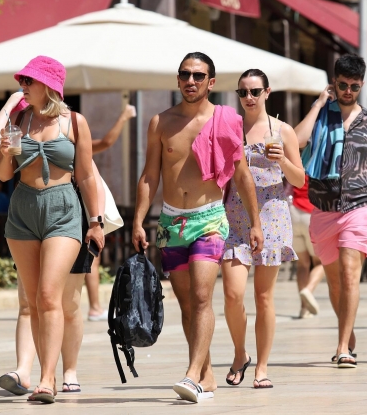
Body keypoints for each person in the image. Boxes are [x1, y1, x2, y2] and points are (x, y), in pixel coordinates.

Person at [132, 52, 263, 403]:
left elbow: (242, 174)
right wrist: (138, 219)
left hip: (209, 219)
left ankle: (190, 376)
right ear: (178, 79)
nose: (191, 80)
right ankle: (206, 375)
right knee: (187, 304)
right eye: (185, 74)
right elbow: (150, 175)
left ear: (211, 82)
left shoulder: (228, 120)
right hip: (171, 221)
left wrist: (255, 223)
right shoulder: (161, 122)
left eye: (199, 75)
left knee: (203, 296)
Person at [0, 90, 115, 397]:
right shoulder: (19, 119)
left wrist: (96, 223)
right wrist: (5, 153)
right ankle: (47, 376)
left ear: (48, 84)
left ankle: (50, 377)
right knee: (32, 302)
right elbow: (5, 175)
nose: (23, 86)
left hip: (63, 209)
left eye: (29, 80)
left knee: (50, 297)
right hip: (23, 210)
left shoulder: (75, 122)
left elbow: (85, 175)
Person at [294, 54, 367, 368]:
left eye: (354, 86)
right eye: (342, 85)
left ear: (362, 85)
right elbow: (296, 141)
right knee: (335, 284)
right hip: (323, 208)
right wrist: (317, 104)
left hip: (359, 206)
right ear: (333, 82)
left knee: (351, 278)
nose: (348, 91)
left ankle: (342, 347)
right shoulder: (321, 115)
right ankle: (347, 333)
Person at [222, 69, 304, 389]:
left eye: (255, 92)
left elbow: (299, 180)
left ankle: (263, 366)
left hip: (272, 212)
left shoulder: (282, 131)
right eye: (243, 93)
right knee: (232, 293)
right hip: (234, 215)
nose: (249, 98)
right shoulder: (231, 129)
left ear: (267, 93)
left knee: (263, 297)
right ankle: (240, 354)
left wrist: (282, 160)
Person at [86, 103, 136, 321]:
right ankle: (94, 307)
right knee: (90, 259)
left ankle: (95, 307)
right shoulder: (71, 142)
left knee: (90, 258)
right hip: (82, 206)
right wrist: (124, 116)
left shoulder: (71, 142)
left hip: (84, 206)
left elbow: (106, 142)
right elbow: (106, 142)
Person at [290, 175, 325, 319]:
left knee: (302, 264)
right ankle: (308, 290)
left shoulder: (294, 160)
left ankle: (304, 309)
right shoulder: (318, 160)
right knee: (321, 262)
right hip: (310, 212)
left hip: (292, 212)